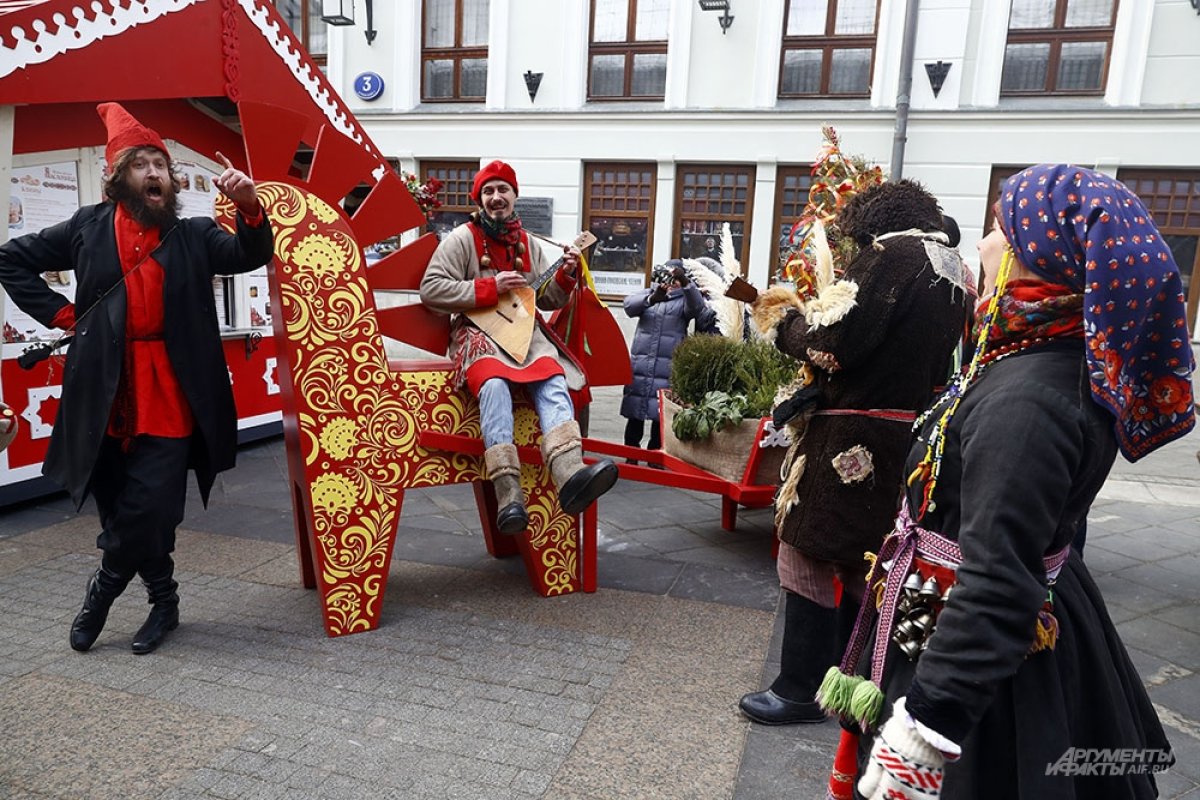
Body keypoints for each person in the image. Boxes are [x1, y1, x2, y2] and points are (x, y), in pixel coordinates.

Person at [828, 164, 1190, 799]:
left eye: (999, 231)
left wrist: (923, 734)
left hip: (984, 660)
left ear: (1036, 260)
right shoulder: (1037, 360)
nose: (985, 245)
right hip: (973, 620)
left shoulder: (1029, 399)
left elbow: (997, 582)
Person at [0, 103, 274, 654]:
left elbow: (248, 252)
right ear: (118, 178)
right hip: (101, 389)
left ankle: (101, 591)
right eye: (142, 164)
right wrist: (64, 316)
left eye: (161, 164)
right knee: (118, 500)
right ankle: (165, 602)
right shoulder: (87, 227)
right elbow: (10, 259)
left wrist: (249, 209)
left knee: (153, 505)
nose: (155, 173)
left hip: (172, 391)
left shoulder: (194, 234)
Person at [739, 179, 971, 725]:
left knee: (806, 550)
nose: (849, 252)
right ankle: (848, 681)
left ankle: (798, 689)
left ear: (872, 223)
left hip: (849, 438)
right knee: (861, 560)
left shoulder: (891, 254)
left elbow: (835, 346)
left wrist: (781, 318)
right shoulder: (955, 266)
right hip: (901, 434)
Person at [420, 160, 618, 534]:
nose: (497, 198)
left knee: (553, 378)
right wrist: (488, 289)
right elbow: (431, 290)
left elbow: (546, 299)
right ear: (478, 199)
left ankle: (570, 473)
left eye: (503, 190)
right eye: (489, 192)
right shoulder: (463, 238)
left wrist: (566, 272)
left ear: (514, 195)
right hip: (478, 334)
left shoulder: (528, 242)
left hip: (526, 337)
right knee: (494, 384)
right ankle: (508, 493)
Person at [620, 260, 715, 457]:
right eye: (668, 277)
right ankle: (631, 454)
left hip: (667, 366)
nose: (672, 283)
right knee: (634, 413)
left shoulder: (684, 301)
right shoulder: (649, 294)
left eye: (676, 279)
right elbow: (628, 306)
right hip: (641, 364)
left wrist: (687, 284)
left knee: (660, 415)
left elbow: (697, 308)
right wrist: (652, 299)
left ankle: (655, 455)